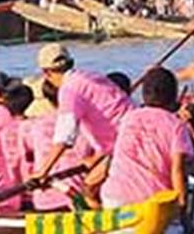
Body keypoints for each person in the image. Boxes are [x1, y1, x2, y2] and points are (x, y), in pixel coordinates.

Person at [91, 67, 193, 208]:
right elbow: (178, 171)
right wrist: (184, 214)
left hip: (113, 198)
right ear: (173, 96)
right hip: (153, 203)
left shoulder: (128, 118)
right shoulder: (176, 126)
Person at [37, 42, 132, 172]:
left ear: (46, 73)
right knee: (90, 183)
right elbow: (109, 115)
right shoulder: (92, 76)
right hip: (126, 134)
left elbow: (64, 136)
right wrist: (96, 157)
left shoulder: (69, 89)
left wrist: (43, 171)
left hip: (123, 143)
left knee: (95, 187)